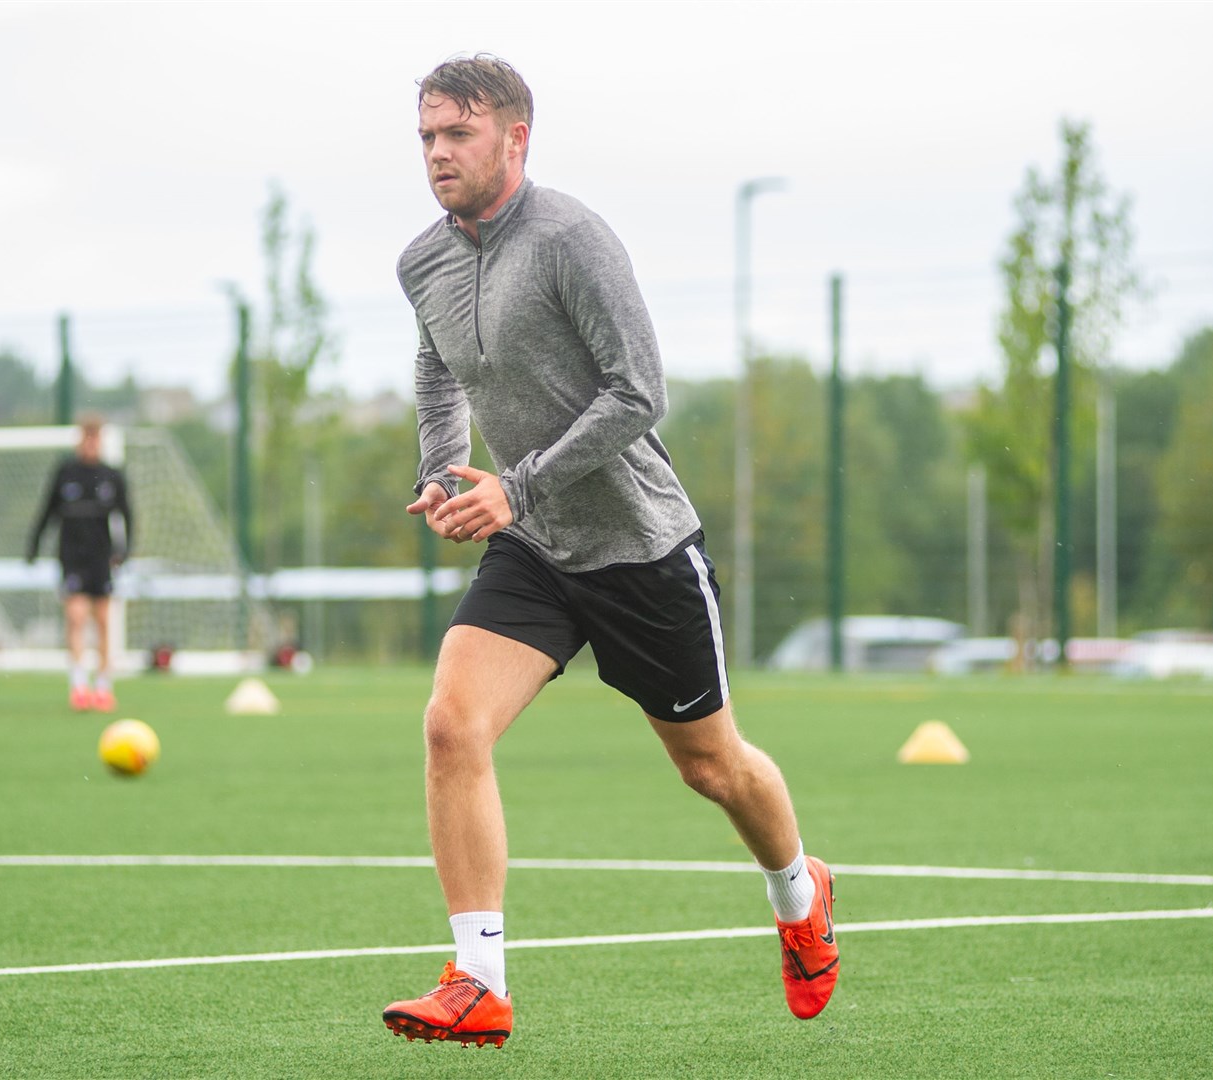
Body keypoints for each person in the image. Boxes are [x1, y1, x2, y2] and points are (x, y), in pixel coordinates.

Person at [380, 56, 839, 1047]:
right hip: (534, 545)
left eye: (457, 134)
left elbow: (640, 395)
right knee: (452, 727)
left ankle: (801, 892)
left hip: (639, 548)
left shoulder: (572, 240)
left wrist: (520, 483)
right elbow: (436, 363)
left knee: (713, 769)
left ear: (517, 137)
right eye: (425, 135)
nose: (437, 154)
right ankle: (479, 979)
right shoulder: (421, 259)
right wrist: (443, 467)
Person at [26, 414, 133, 712]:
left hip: (101, 557)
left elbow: (127, 516)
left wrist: (125, 551)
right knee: (75, 617)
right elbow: (47, 511)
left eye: (95, 438)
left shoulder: (112, 476)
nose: (90, 444)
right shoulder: (65, 473)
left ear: (101, 441)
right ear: (79, 440)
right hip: (72, 556)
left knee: (102, 620)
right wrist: (33, 546)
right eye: (86, 438)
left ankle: (103, 686)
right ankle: (78, 685)